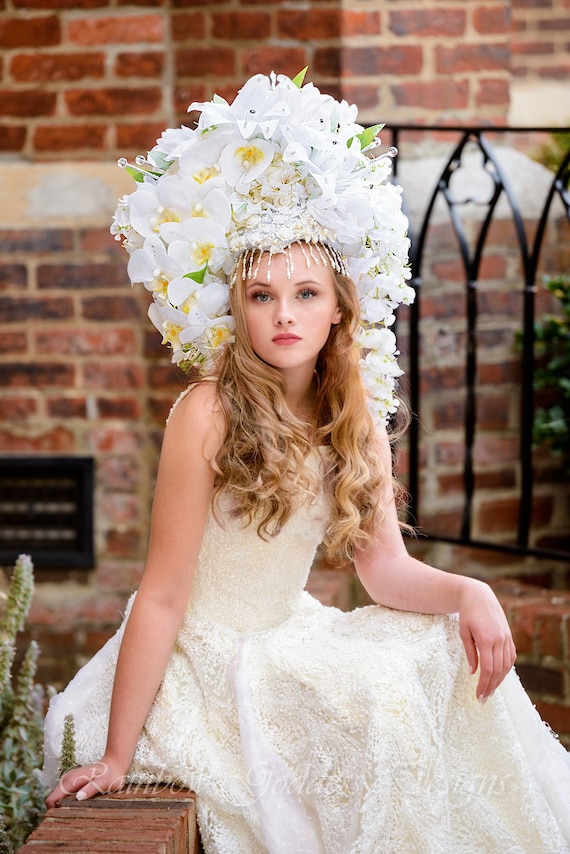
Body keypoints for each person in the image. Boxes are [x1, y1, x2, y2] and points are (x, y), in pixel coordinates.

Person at [44, 71, 570, 853]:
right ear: (238, 309)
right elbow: (159, 596)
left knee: (420, 663)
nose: (284, 314)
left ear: (339, 307)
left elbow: (386, 573)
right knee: (379, 703)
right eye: (261, 296)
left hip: (290, 631)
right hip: (203, 655)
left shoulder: (352, 416)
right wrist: (119, 754)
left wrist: (472, 591)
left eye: (305, 292)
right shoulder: (207, 413)